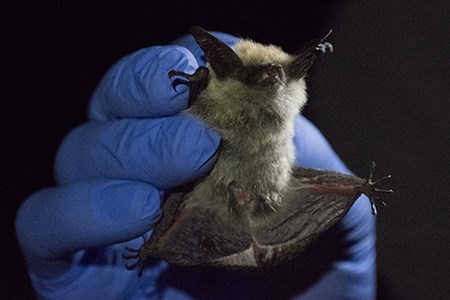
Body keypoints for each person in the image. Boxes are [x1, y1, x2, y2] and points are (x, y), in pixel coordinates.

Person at [15, 31, 376, 299]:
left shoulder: (285, 103)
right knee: (164, 185)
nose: (269, 79)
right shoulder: (215, 95)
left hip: (268, 191)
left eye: (277, 75)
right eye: (257, 76)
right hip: (210, 197)